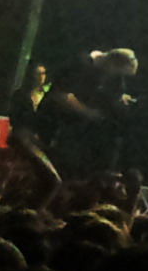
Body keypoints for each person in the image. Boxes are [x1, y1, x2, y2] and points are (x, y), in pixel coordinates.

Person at [46, 49, 140, 182]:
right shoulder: (79, 65)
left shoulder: (112, 78)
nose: (119, 78)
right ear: (112, 63)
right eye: (118, 73)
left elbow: (113, 93)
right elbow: (60, 95)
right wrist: (89, 113)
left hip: (79, 138)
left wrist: (120, 100)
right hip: (55, 129)